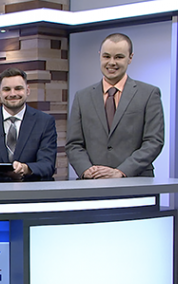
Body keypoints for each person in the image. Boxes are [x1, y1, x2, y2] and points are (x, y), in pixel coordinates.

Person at [66, 33, 164, 179]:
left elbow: (154, 141)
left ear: (130, 58)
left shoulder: (149, 94)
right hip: (92, 183)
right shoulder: (82, 97)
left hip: (136, 182)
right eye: (106, 56)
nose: (111, 62)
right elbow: (73, 144)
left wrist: (121, 171)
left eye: (119, 57)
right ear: (100, 56)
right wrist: (86, 170)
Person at [0, 67, 57, 181]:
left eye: (18, 88)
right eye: (7, 89)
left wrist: (25, 168)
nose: (12, 94)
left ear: (27, 90)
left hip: (30, 191)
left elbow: (47, 165)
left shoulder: (45, 122)